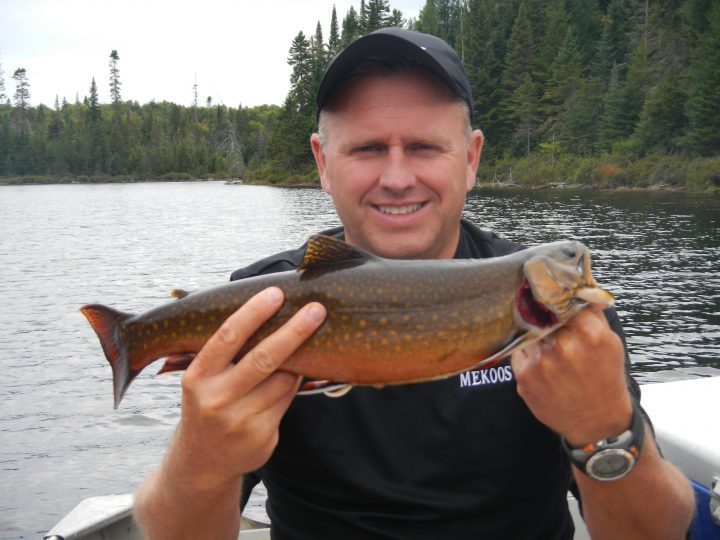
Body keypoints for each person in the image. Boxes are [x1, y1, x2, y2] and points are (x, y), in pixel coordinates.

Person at [134, 28, 694, 539]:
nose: (397, 179)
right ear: (322, 162)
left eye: (424, 147)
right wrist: (201, 459)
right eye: (368, 149)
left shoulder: (567, 318)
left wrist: (602, 432)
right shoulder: (264, 301)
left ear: (470, 158)